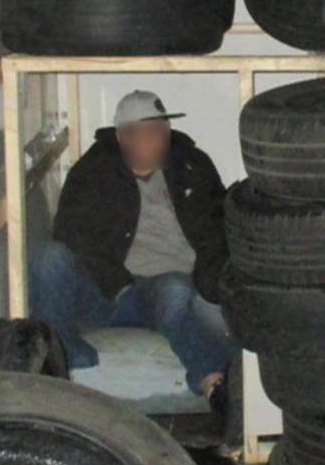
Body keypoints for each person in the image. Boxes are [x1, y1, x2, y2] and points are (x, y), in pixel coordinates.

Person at [30, 90, 238, 412]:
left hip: (172, 288)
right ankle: (59, 361)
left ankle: (216, 387)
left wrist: (213, 283)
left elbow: (219, 228)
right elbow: (73, 237)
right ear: (123, 137)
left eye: (163, 129)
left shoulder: (193, 165)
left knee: (174, 290)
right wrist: (119, 285)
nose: (160, 139)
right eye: (150, 132)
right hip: (109, 292)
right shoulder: (94, 172)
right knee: (49, 258)